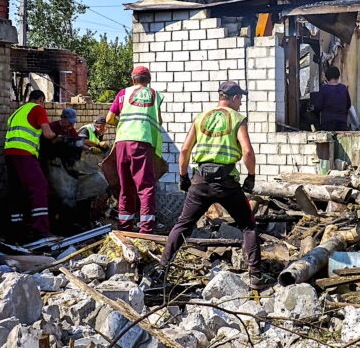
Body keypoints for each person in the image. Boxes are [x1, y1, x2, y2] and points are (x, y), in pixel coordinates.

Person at [155, 81, 265, 289]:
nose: (241, 103)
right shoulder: (237, 118)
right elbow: (248, 152)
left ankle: (161, 269)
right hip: (226, 183)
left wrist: (184, 177)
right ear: (233, 98)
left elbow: (185, 150)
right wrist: (251, 175)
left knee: (183, 225)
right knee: (248, 226)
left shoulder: (201, 117)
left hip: (201, 181)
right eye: (240, 98)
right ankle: (256, 276)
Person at [106, 66, 164, 233]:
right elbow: (159, 121)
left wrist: (124, 124)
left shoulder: (122, 93)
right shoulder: (154, 94)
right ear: (149, 81)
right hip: (141, 142)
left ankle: (124, 229)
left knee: (126, 187)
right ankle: (146, 231)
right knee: (146, 187)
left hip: (122, 143)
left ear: (132, 79)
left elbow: (109, 119)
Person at [4, 90, 59, 239]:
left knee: (17, 190)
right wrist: (58, 137)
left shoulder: (18, 111)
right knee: (40, 187)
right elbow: (48, 134)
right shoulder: (38, 109)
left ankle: (17, 227)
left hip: (10, 154)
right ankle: (40, 228)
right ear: (41, 100)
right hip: (25, 154)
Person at [315, 66, 352, 131]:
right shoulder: (343, 88)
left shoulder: (324, 89)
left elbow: (318, 107)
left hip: (327, 123)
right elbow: (348, 105)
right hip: (342, 123)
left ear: (326, 77)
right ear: (338, 76)